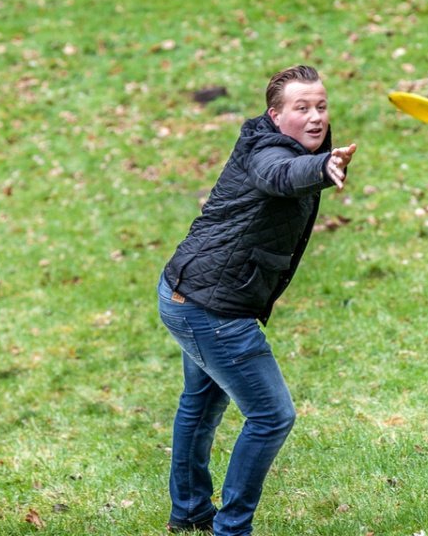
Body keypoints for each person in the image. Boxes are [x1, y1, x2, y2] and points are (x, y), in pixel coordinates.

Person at [158, 65, 357, 535]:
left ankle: (189, 512)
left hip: (189, 290)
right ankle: (232, 528)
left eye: (321, 106)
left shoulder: (296, 146)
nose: (316, 117)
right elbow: (279, 174)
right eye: (301, 108)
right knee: (272, 415)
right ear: (275, 115)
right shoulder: (267, 151)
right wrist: (321, 168)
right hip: (209, 307)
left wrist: (321, 163)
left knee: (201, 404)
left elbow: (294, 170)